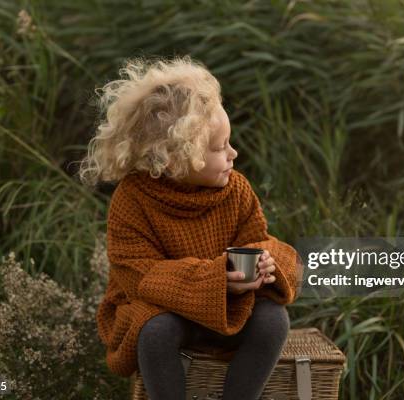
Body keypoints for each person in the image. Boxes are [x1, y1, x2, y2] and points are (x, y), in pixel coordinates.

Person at [78, 55, 302, 400]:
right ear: (174, 157)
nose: (233, 153)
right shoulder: (133, 199)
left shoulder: (236, 190)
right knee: (155, 332)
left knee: (273, 319)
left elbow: (257, 239)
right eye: (219, 147)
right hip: (164, 311)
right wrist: (214, 279)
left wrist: (265, 263)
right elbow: (138, 275)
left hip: (228, 309)